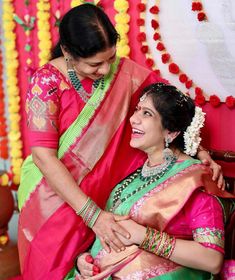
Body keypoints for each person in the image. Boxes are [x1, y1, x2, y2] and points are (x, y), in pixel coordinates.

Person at [17, 4, 223, 279]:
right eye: (94, 64)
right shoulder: (46, 83)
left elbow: (171, 109)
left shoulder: (124, 72)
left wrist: (199, 149)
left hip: (108, 199)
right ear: (67, 52)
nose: (105, 70)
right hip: (54, 202)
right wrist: (92, 216)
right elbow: (44, 156)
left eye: (110, 59)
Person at [68, 83, 234, 280]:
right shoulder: (132, 175)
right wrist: (84, 261)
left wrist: (143, 236)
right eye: (137, 110)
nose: (133, 119)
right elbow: (107, 235)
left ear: (171, 132)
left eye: (147, 113)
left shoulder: (198, 179)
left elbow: (211, 260)